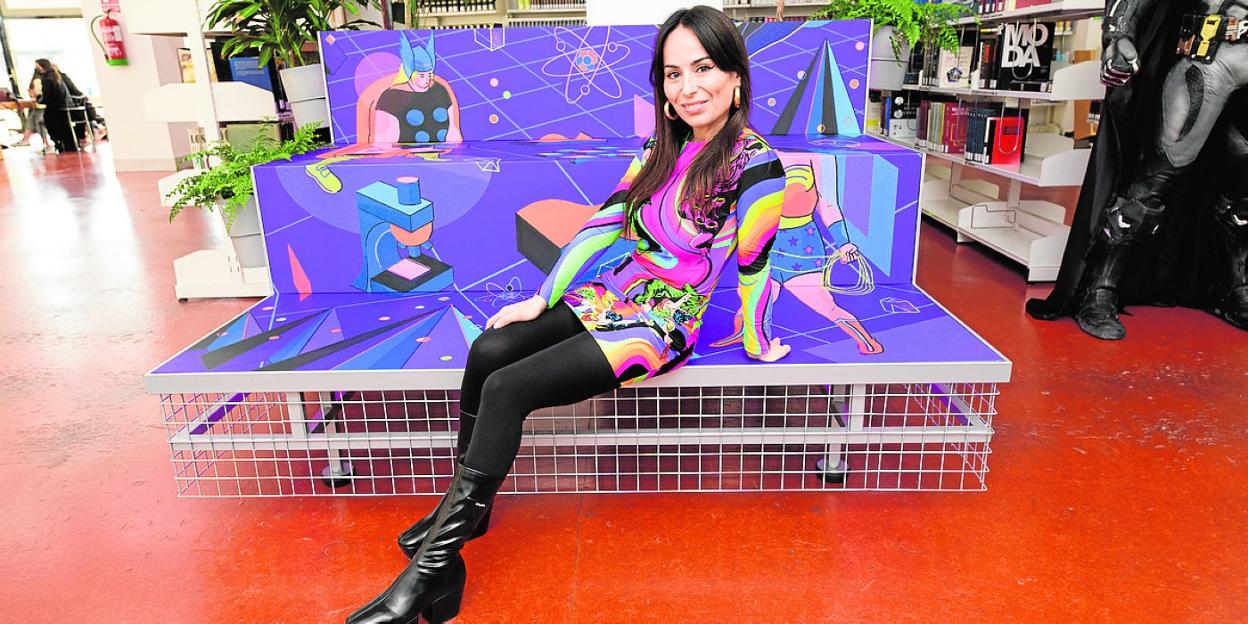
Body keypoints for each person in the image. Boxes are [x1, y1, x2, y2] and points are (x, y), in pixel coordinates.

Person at [345, 7, 790, 623]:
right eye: (672, 74)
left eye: (703, 68)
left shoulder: (758, 164)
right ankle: (468, 521)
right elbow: (603, 224)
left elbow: (754, 264)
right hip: (615, 292)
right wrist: (542, 297)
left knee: (507, 388)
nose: (688, 87)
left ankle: (429, 570)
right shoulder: (662, 148)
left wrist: (758, 340)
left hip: (663, 321)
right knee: (490, 349)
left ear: (736, 76)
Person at [32, 59, 77, 153]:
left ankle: (57, 142)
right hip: (65, 107)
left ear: (42, 67)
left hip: (55, 108)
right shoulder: (57, 76)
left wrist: (39, 99)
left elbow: (46, 98)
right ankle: (68, 144)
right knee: (64, 128)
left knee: (45, 119)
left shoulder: (46, 80)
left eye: (37, 67)